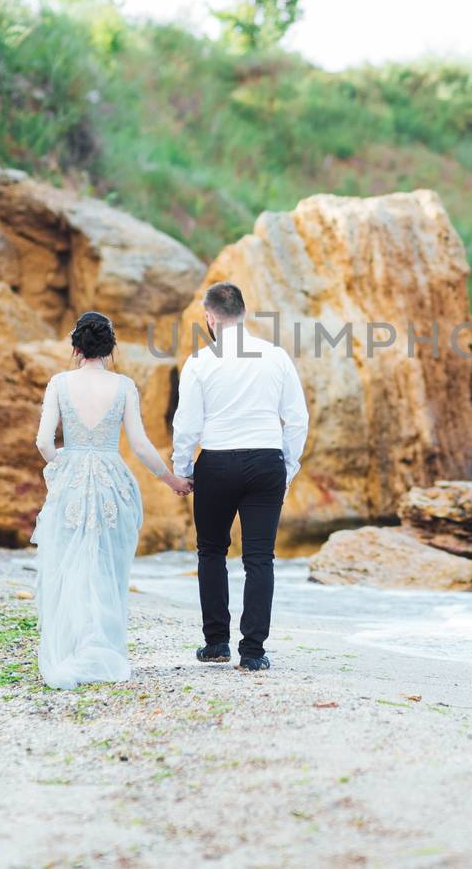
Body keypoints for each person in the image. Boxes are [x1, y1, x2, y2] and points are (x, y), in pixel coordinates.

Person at [32, 311, 192, 689]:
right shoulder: (123, 387)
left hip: (72, 477)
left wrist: (63, 465)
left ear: (75, 347)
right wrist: (170, 479)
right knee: (105, 564)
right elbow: (139, 444)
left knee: (70, 563)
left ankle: (71, 648)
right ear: (110, 348)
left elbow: (42, 441)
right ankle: (100, 647)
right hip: (110, 480)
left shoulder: (59, 383)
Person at [171, 282, 309, 673]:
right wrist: (288, 465)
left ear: (210, 318)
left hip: (216, 462)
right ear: (244, 313)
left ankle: (216, 643)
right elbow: (297, 418)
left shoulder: (199, 362)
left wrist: (183, 469)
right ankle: (252, 651)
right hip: (266, 461)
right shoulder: (276, 356)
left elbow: (187, 425)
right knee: (260, 558)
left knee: (211, 551)